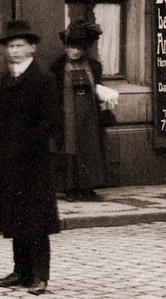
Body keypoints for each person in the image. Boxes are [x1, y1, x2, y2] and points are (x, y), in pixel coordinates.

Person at [0, 20, 62, 296]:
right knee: (15, 217)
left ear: (32, 48)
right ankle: (21, 271)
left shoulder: (43, 79)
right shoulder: (9, 78)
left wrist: (26, 144)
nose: (13, 52)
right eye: (10, 47)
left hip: (33, 162)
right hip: (9, 160)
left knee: (37, 221)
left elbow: (51, 121)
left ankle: (40, 276)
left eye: (19, 46)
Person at [51, 19, 110, 201]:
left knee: (90, 148)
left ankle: (88, 187)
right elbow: (53, 94)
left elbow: (98, 88)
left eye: (78, 48)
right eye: (71, 47)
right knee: (70, 148)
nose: (74, 51)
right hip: (67, 117)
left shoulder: (94, 66)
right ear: (66, 46)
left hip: (89, 115)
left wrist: (105, 94)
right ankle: (70, 189)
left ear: (84, 48)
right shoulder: (57, 67)